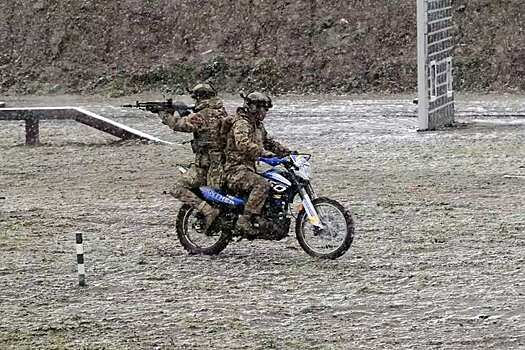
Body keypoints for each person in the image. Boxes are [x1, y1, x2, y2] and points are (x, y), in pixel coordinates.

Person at [161, 83, 227, 230]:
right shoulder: (221, 111)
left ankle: (208, 211)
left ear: (199, 98)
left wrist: (165, 115)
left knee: (177, 188)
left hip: (207, 166)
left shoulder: (202, 114)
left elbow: (179, 125)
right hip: (221, 164)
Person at [223, 91, 292, 234]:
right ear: (253, 107)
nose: (265, 112)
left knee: (274, 180)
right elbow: (243, 144)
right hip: (235, 169)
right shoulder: (242, 123)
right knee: (262, 184)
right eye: (262, 108)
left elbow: (268, 142)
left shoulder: (258, 126)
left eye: (266, 109)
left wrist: (288, 153)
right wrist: (263, 153)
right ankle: (245, 220)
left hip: (249, 169)